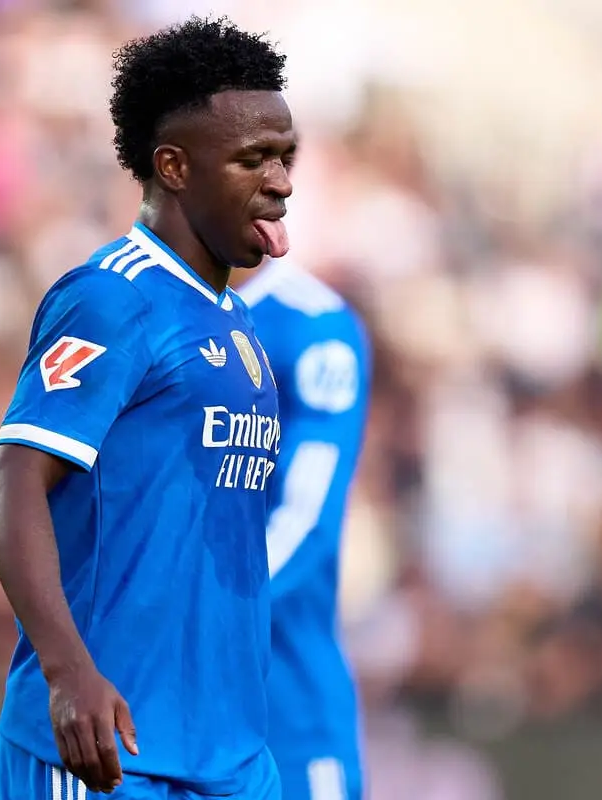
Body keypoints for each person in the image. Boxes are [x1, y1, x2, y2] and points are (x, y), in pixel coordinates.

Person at [0, 16, 296, 800]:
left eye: (286, 156)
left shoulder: (236, 324)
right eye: (253, 158)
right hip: (110, 749)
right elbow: (7, 489)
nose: (283, 180)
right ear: (175, 167)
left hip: (231, 757)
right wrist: (67, 672)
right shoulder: (112, 300)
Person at [229, 261, 371, 800]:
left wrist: (198, 605)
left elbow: (306, 518)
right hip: (155, 700)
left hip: (282, 707)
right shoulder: (132, 306)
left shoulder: (314, 328)